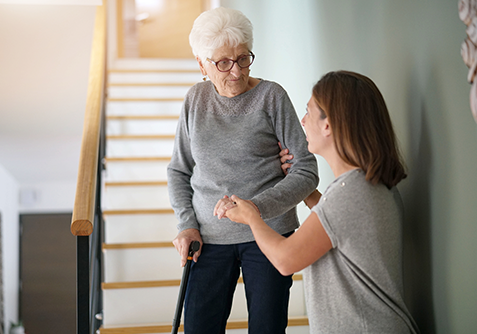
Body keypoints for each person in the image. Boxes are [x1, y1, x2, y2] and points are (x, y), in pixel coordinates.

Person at [216, 71, 420, 333]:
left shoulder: (350, 193)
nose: (302, 121)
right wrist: (306, 192)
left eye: (308, 112)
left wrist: (251, 217)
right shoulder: (368, 185)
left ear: (328, 125)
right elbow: (338, 227)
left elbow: (285, 259)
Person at [166, 6, 319, 334]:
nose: (235, 72)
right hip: (207, 238)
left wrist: (254, 210)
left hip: (269, 233)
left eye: (243, 59)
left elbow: (306, 170)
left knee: (267, 328)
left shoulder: (271, 97)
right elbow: (179, 171)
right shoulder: (195, 100)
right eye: (223, 62)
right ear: (201, 64)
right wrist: (186, 225)